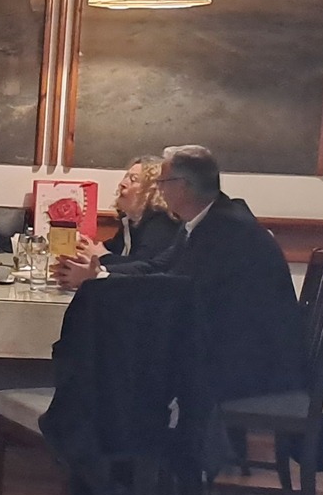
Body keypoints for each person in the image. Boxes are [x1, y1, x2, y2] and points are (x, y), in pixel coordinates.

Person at [55, 145, 302, 402]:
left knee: (120, 357)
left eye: (162, 182)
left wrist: (99, 280)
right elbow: (156, 267)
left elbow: (176, 287)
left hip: (254, 365)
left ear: (182, 186)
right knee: (116, 350)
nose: (159, 189)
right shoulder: (201, 221)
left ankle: (118, 424)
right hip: (228, 347)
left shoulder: (226, 228)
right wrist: (101, 273)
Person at [101, 155, 183, 267]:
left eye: (133, 179)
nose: (122, 184)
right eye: (125, 177)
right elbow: (113, 248)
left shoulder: (162, 222)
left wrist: (102, 256)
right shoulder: (131, 219)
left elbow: (142, 265)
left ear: (152, 190)